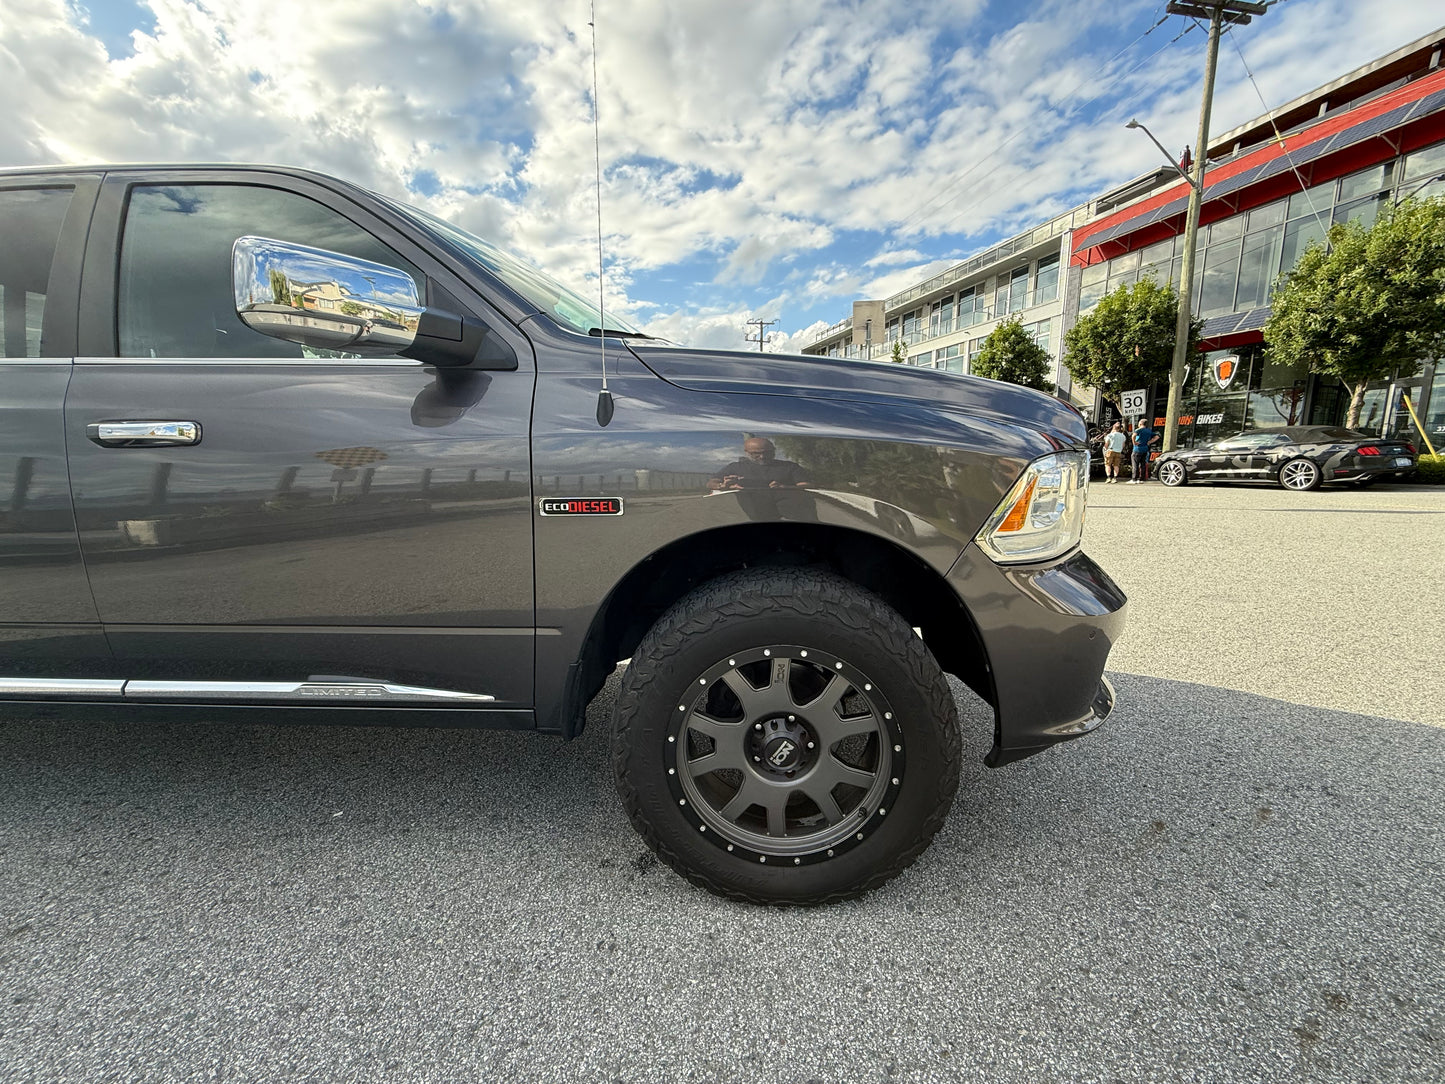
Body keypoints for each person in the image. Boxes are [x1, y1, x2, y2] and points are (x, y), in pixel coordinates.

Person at [708, 436, 815, 520]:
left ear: (774, 451)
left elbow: (807, 486)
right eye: (756, 453)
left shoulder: (790, 466)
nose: (762, 456)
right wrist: (721, 486)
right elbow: (711, 483)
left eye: (766, 452)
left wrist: (785, 487)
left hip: (796, 516)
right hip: (759, 517)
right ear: (746, 452)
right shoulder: (735, 467)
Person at [1129, 419, 1158, 483]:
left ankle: (1134, 479)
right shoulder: (1149, 431)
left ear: (1140, 423)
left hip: (1137, 449)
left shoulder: (1139, 430)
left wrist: (1134, 442)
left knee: (1135, 464)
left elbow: (1133, 435)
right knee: (1143, 464)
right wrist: (1150, 442)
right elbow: (1157, 437)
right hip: (1145, 449)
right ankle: (1142, 478)